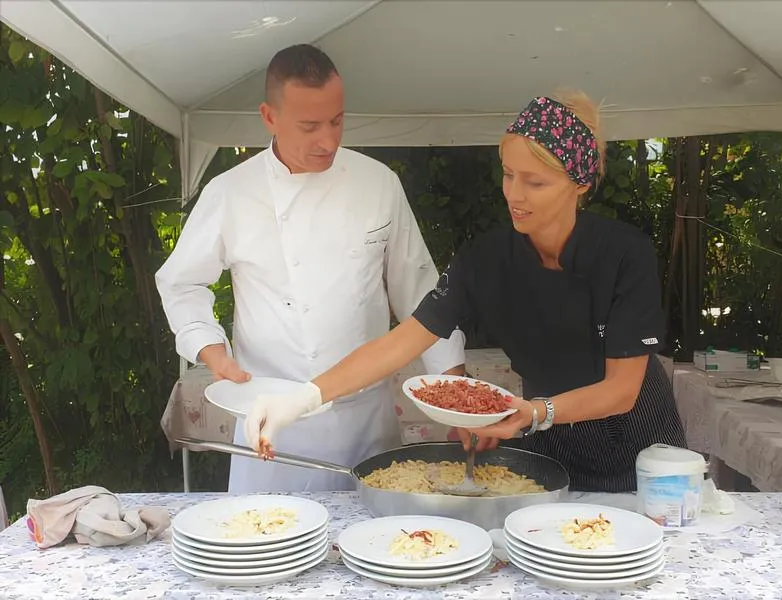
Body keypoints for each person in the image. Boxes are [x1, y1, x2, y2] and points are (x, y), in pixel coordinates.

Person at [244, 90, 688, 492]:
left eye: (535, 182)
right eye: (509, 174)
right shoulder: (486, 259)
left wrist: (536, 412)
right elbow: (401, 342)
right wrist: (303, 398)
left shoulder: (624, 254)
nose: (515, 194)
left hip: (643, 455)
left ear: (580, 183)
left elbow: (621, 390)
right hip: (547, 446)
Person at [155, 44, 465, 492]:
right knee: (266, 532)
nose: (329, 140)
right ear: (269, 117)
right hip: (273, 424)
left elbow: (420, 291)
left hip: (363, 420)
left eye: (337, 121)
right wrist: (210, 348)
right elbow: (182, 283)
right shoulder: (231, 193)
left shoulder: (379, 183)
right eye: (309, 126)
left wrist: (457, 393)